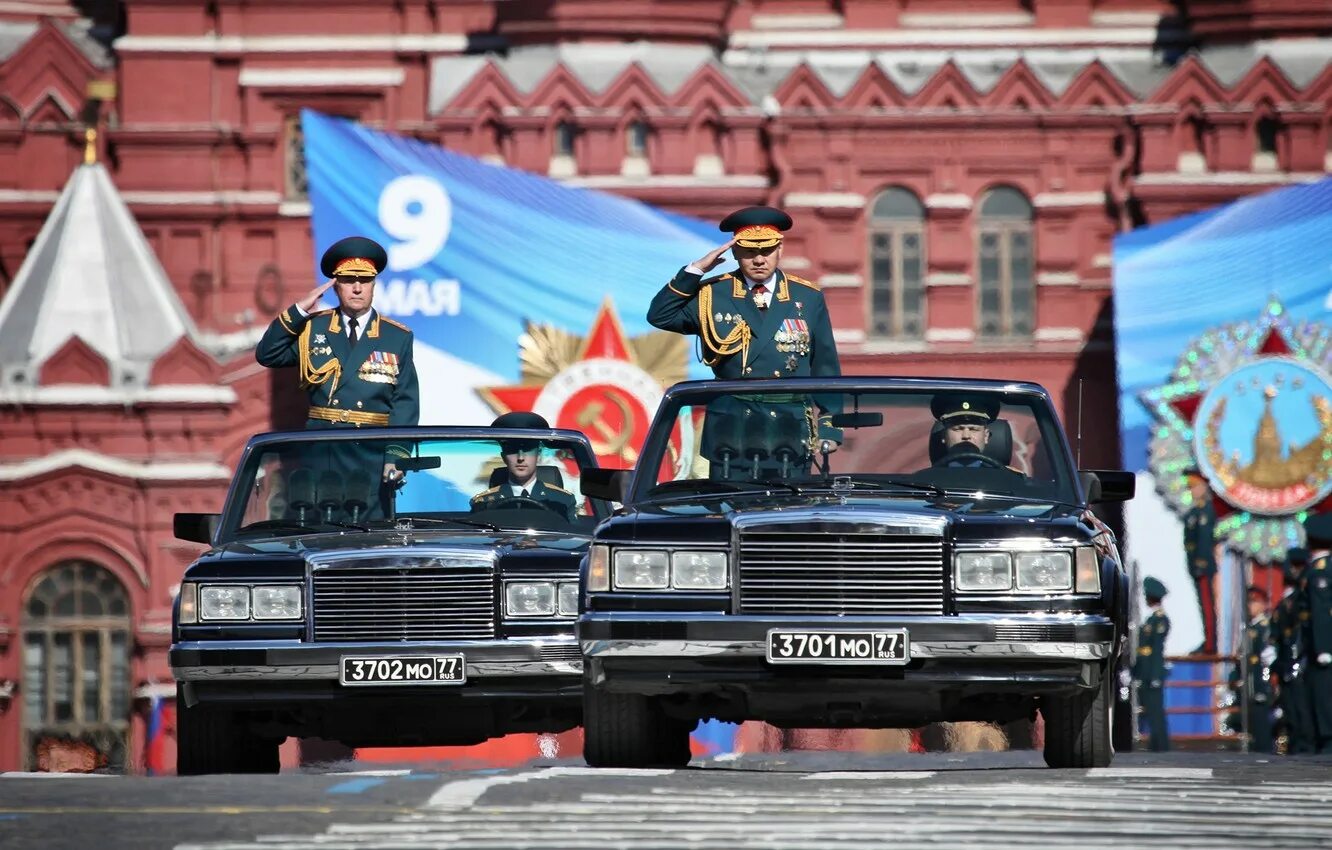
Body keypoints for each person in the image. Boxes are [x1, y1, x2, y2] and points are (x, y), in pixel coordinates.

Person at [646, 206, 841, 475]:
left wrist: (830, 421)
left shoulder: (806, 297)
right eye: (749, 252)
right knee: (732, 510)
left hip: (789, 427)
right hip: (732, 429)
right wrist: (695, 270)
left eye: (767, 251)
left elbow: (825, 363)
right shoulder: (714, 294)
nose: (759, 260)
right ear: (736, 253)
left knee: (788, 512)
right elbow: (660, 315)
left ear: (780, 250)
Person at [255, 236, 420, 487]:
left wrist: (395, 457)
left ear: (374, 285)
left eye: (364, 280)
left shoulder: (396, 336)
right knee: (322, 524)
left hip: (372, 452)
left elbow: (405, 402)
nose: (357, 288)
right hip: (323, 450)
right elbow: (268, 354)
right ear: (335, 286)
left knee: (373, 525)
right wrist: (299, 310)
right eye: (348, 280)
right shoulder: (314, 327)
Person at [471, 412, 577, 521]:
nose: (520, 458)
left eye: (527, 449)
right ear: (504, 457)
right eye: (513, 450)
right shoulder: (484, 503)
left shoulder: (562, 501)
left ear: (539, 454)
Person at [1272, 546, 1315, 754]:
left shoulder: (1303, 595)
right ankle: (1298, 742)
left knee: (1303, 707)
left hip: (1302, 656)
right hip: (1288, 659)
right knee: (1292, 707)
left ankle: (1306, 744)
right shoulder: (1287, 602)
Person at [1229, 586, 1275, 753]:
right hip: (1248, 681)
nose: (1250, 606)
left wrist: (1265, 684)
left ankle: (1265, 751)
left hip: (1259, 681)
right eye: (1249, 602)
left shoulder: (1264, 628)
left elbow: (1266, 658)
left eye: (1254, 602)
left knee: (1261, 721)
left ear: (1263, 604)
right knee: (1252, 723)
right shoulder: (1250, 629)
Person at [1302, 513, 1332, 753]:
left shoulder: (1320, 571)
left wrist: (1323, 647)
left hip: (1325, 645)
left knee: (1324, 694)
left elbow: (1321, 612)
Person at [1133, 576, 1171, 752]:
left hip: (1152, 671)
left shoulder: (1159, 619)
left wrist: (1155, 675)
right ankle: (1155, 743)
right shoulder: (1151, 619)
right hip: (1145, 670)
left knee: (1156, 710)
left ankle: (1161, 745)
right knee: (1150, 709)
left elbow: (1156, 650)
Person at [1182, 469, 1218, 655]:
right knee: (1202, 605)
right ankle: (1207, 640)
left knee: (1207, 604)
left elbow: (1204, 540)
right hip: (1195, 565)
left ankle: (1211, 644)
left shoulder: (1205, 511)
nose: (1192, 491)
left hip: (1201, 566)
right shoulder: (1195, 511)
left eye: (1195, 487)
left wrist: (1201, 564)